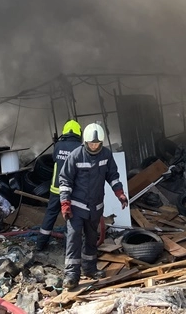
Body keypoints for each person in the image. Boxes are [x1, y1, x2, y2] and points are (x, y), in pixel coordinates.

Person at [59, 123, 128, 290]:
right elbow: (65, 181)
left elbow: (113, 176)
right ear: (85, 142)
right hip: (77, 207)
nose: (94, 146)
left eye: (97, 144)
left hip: (95, 207)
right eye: (91, 143)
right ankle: (71, 275)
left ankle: (90, 269)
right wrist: (65, 203)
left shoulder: (106, 155)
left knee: (91, 238)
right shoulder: (76, 156)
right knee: (74, 238)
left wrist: (120, 193)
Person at [35, 120, 82, 251]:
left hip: (56, 189)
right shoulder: (81, 148)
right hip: (72, 191)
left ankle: (40, 244)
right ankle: (68, 248)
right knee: (70, 218)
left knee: (50, 214)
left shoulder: (58, 146)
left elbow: (55, 159)